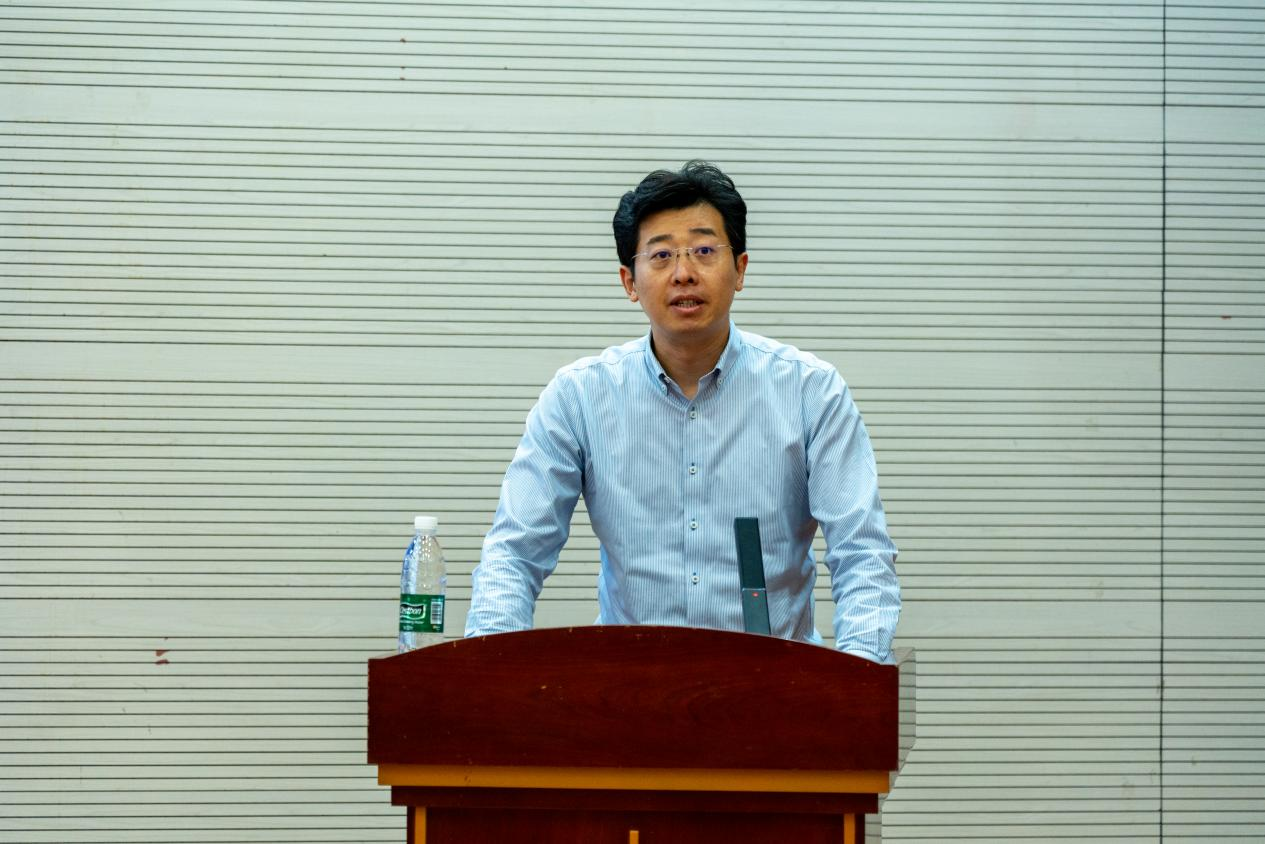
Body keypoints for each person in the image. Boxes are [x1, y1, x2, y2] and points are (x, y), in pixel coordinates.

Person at [464, 161, 900, 663]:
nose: (684, 272)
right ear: (629, 281)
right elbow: (515, 553)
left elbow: (862, 553)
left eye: (704, 250)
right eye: (662, 254)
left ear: (740, 269)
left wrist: (858, 682)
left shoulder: (810, 391)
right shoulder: (579, 396)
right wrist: (487, 674)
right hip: (629, 686)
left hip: (776, 687)